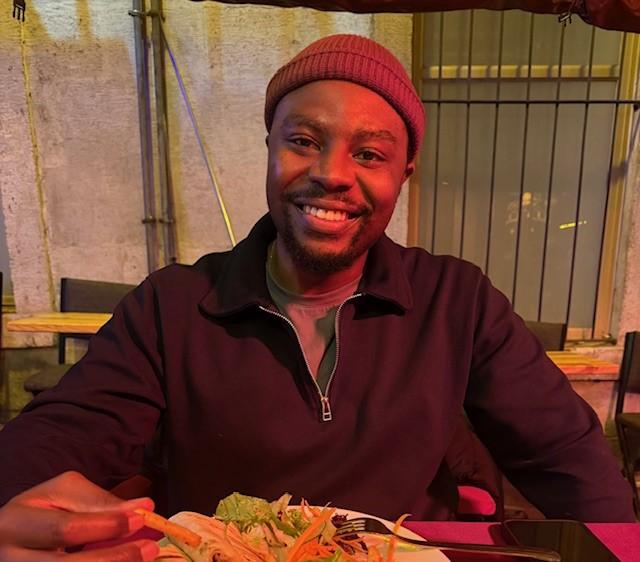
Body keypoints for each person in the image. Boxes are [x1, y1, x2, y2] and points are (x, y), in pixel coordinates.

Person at [0, 34, 634, 561]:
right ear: (270, 146)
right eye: (303, 140)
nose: (331, 173)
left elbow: (564, 453)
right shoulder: (171, 306)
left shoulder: (455, 299)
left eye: (369, 153)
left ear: (402, 175)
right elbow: (61, 434)